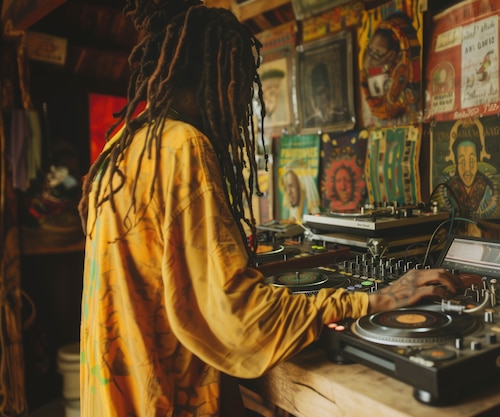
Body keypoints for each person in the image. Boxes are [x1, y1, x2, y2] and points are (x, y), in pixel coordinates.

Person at [77, 2, 463, 416]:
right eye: (242, 86)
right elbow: (239, 316)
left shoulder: (125, 144)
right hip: (165, 400)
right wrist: (373, 300)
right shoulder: (183, 147)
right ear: (217, 78)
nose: (244, 106)